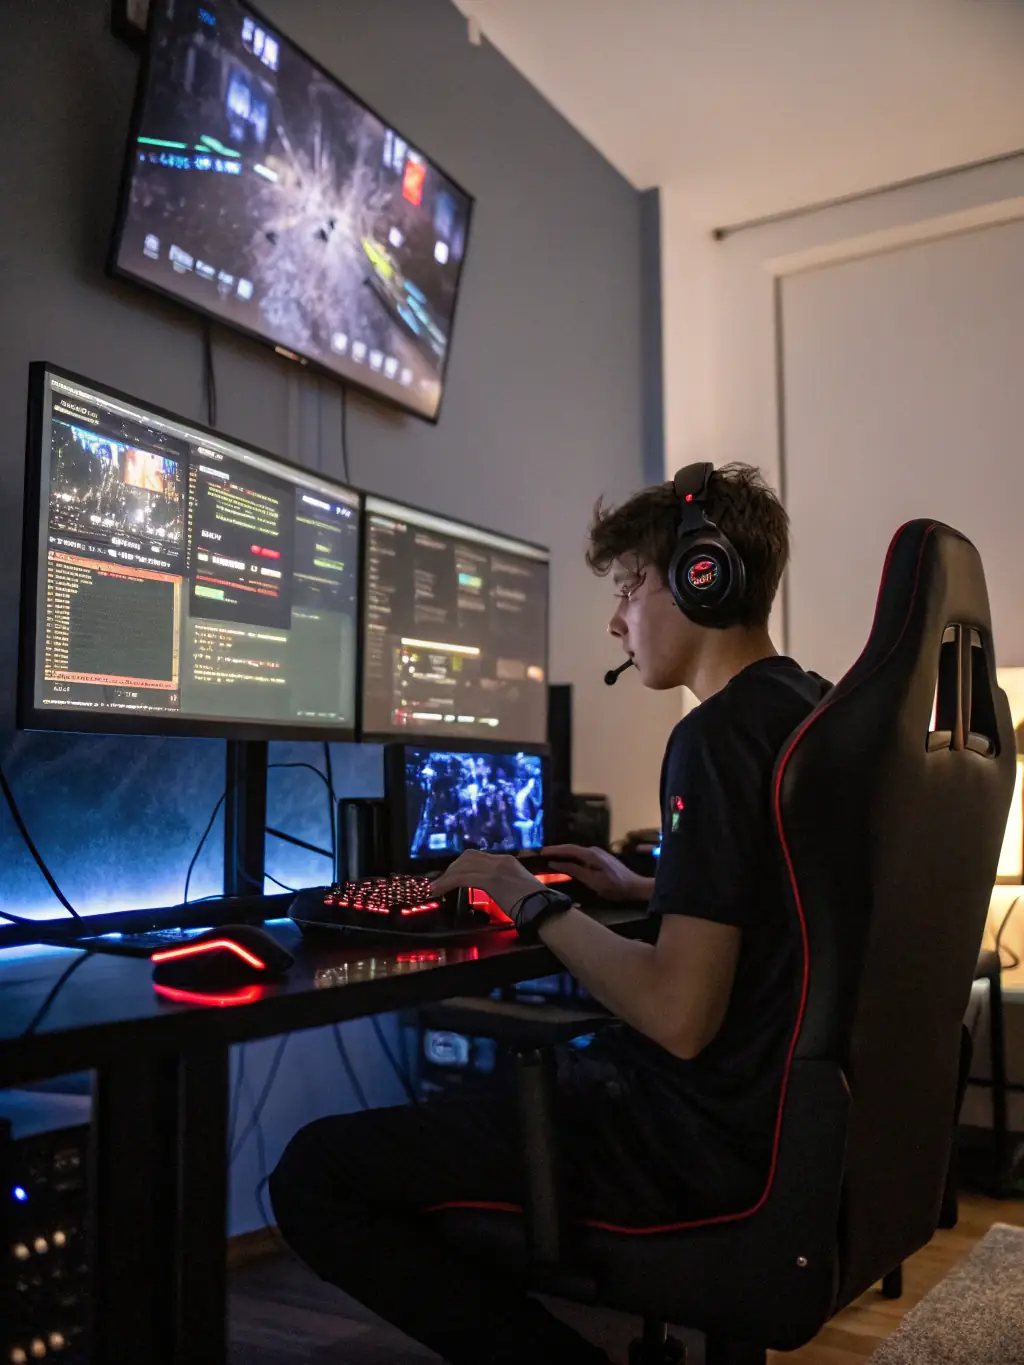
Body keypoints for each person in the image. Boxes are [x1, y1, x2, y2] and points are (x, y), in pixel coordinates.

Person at [269, 464, 828, 1365]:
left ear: (701, 576)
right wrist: (657, 890)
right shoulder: (811, 713)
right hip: (775, 1131)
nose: (617, 619)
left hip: (689, 1145)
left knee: (314, 1176)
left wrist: (521, 895)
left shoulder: (715, 738)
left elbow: (681, 1017)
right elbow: (797, 902)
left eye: (630, 585)